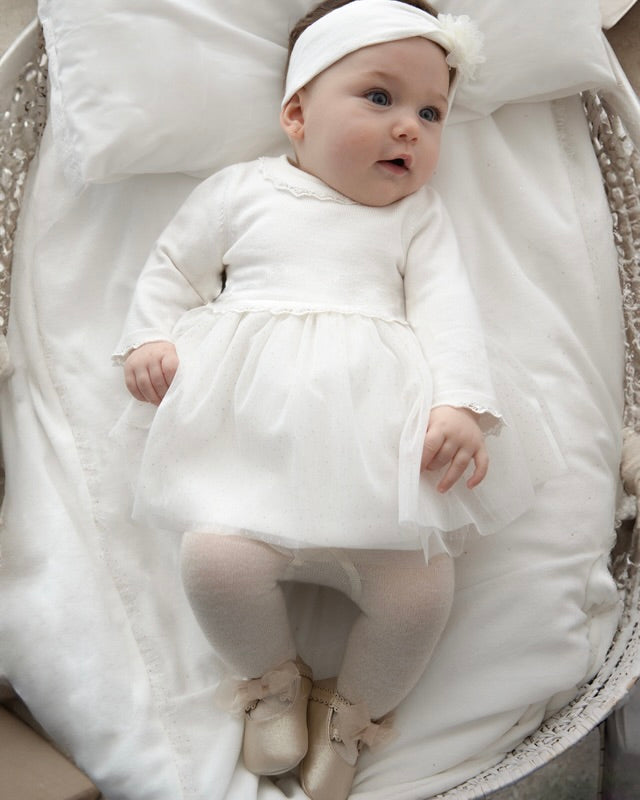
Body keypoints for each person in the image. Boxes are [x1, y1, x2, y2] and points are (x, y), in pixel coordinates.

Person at [113, 1, 562, 798]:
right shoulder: (239, 191)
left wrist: (457, 406)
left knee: (421, 593)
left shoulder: (417, 219)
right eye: (379, 98)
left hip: (378, 457)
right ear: (296, 114)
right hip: (250, 447)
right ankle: (273, 684)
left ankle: (353, 715)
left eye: (432, 112)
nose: (410, 130)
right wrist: (149, 337)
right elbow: (172, 271)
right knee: (213, 562)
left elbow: (449, 313)